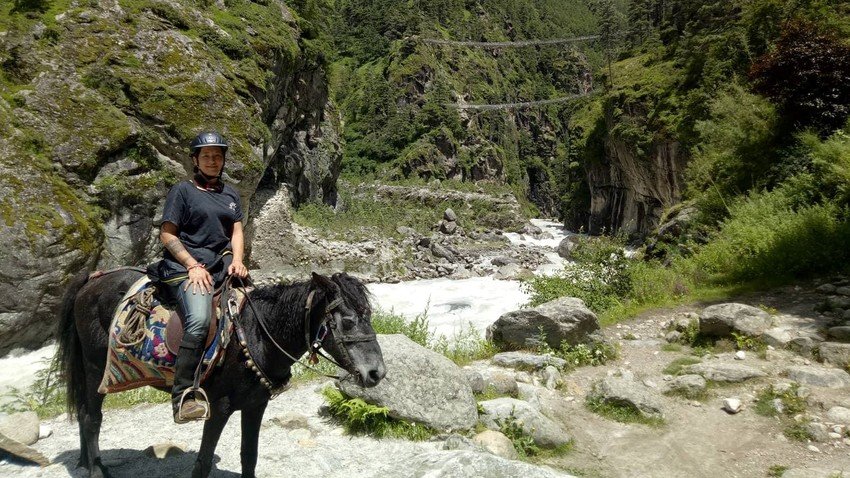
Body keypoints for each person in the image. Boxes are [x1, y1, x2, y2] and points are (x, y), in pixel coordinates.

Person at [157, 131, 248, 423]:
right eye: (206, 156)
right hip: (188, 267)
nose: (212, 161)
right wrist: (192, 265)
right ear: (195, 160)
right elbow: (167, 233)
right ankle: (183, 395)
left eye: (217, 156)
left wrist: (238, 260)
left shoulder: (231, 194)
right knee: (198, 319)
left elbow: (236, 232)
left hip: (222, 265)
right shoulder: (182, 191)